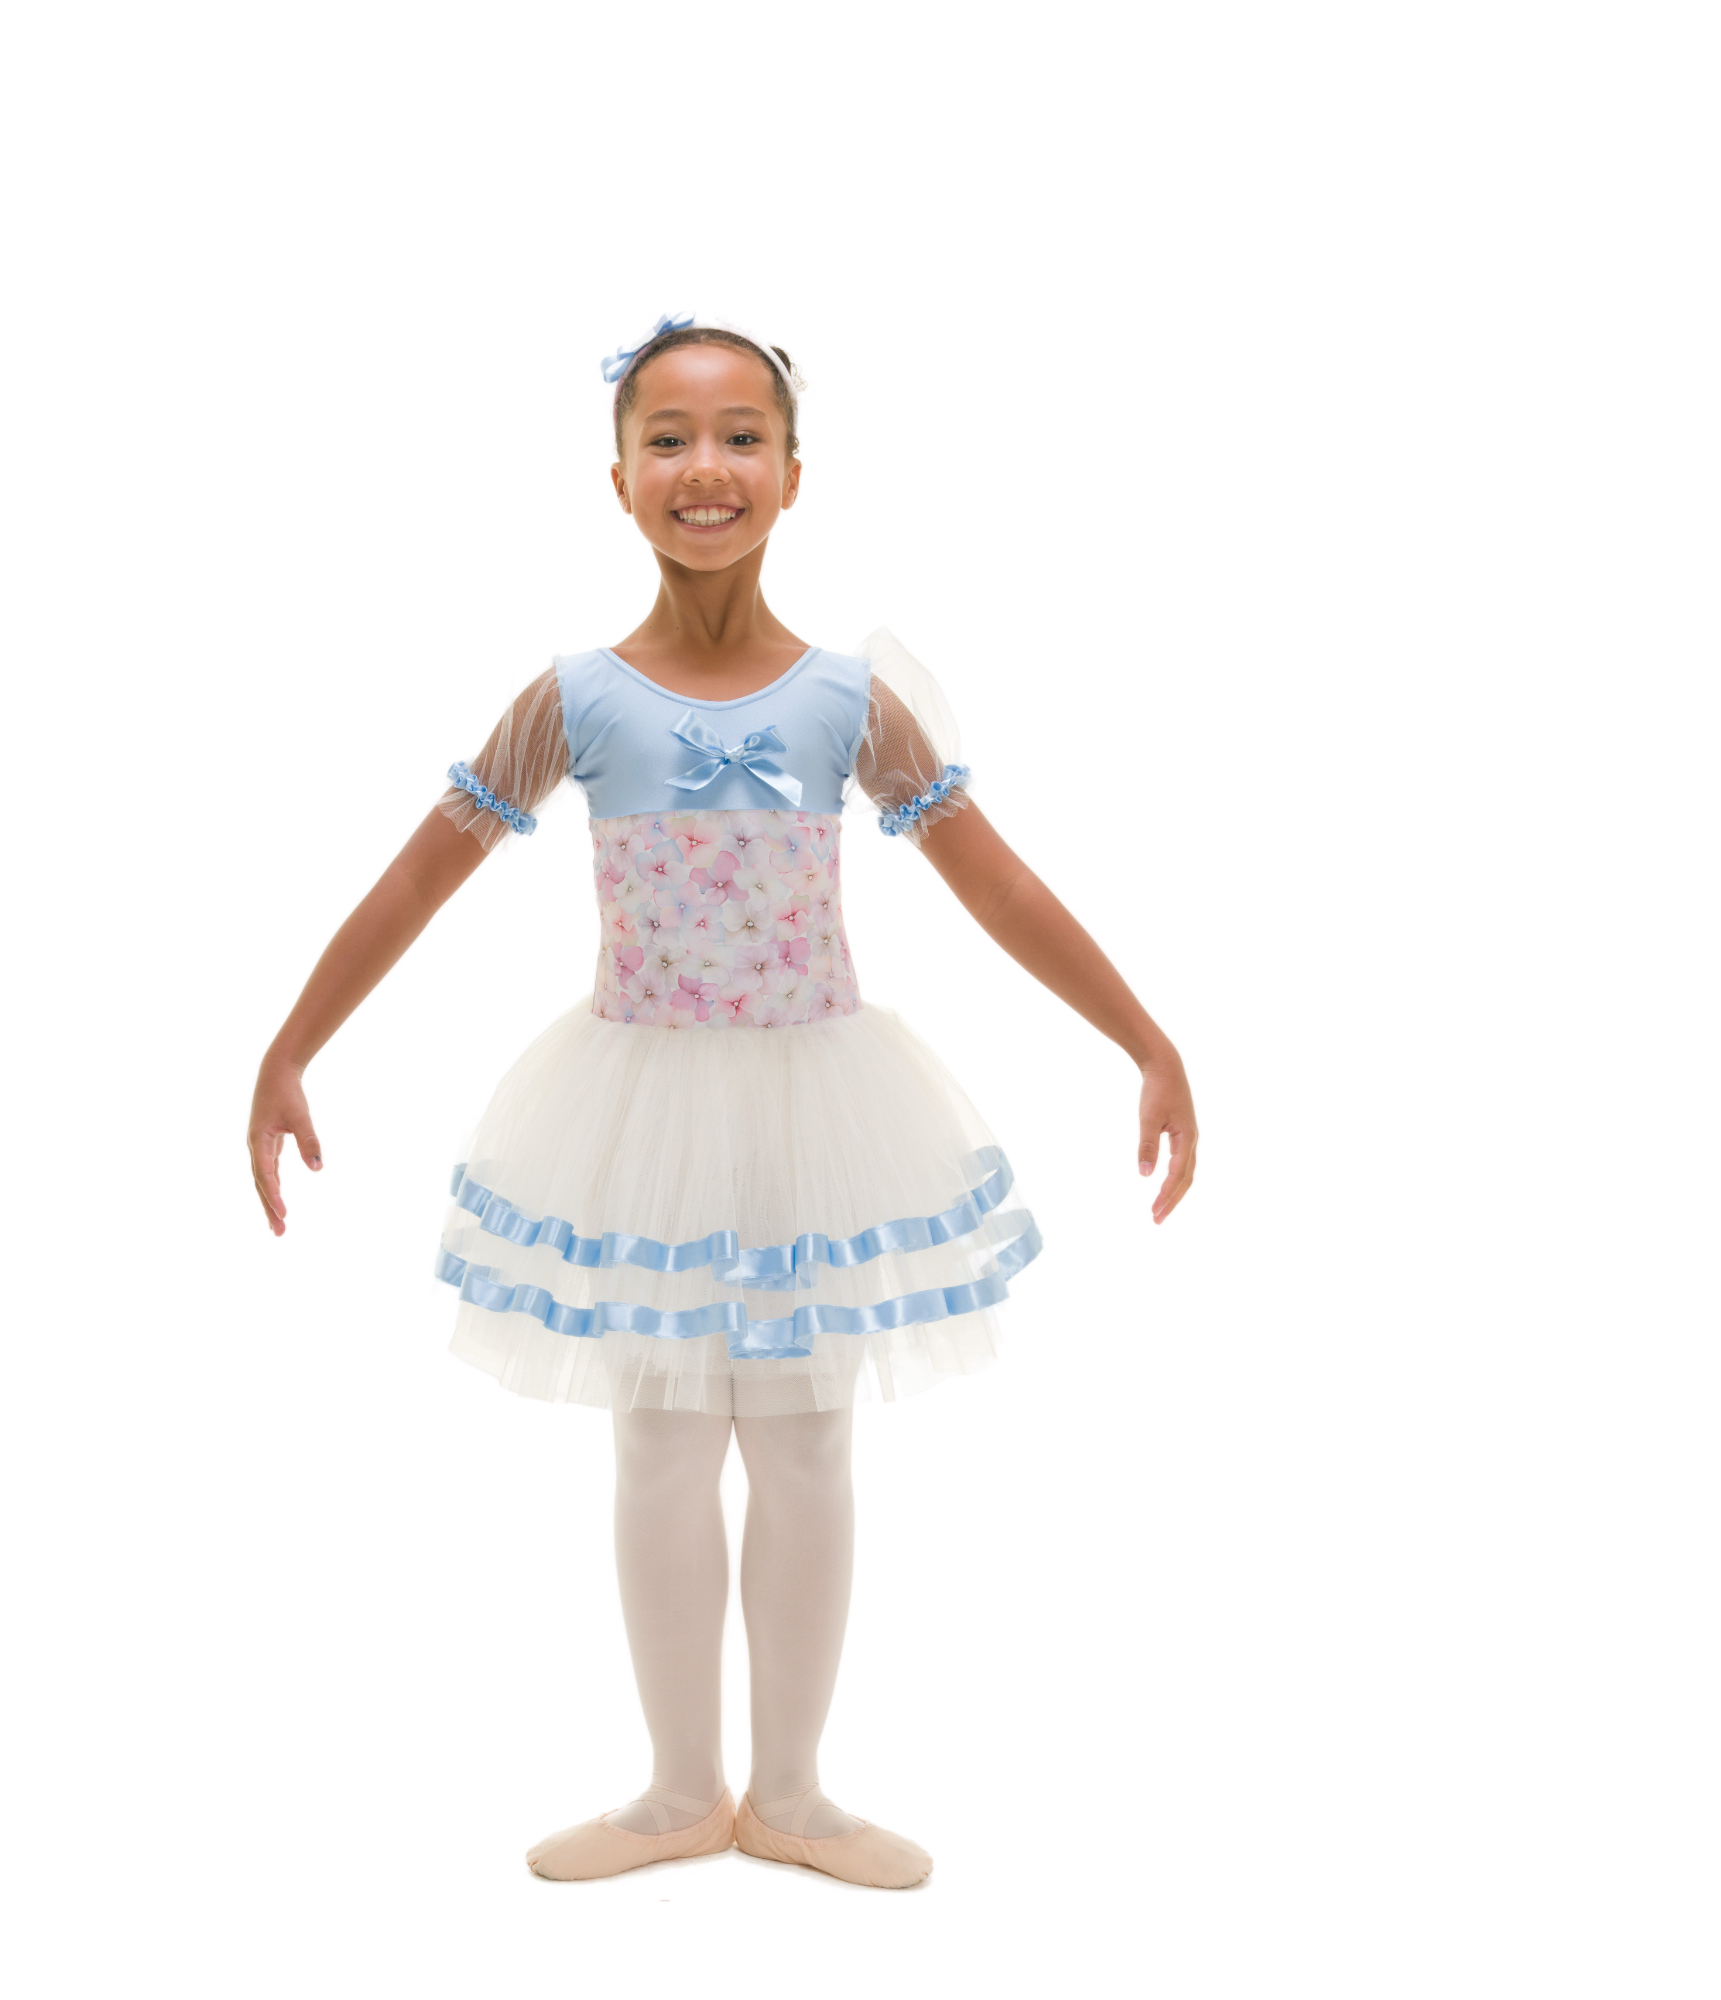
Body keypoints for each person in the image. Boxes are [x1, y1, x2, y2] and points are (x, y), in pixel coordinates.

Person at [246, 314, 1199, 1889]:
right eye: (669, 438)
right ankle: (679, 1790)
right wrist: (294, 1043)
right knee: (661, 1446)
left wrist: (1143, 1038)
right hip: (643, 1114)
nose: (707, 466)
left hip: (817, 1111)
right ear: (618, 478)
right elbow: (421, 876)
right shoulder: (573, 698)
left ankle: (798, 1793)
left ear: (794, 475)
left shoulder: (849, 701)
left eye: (742, 435)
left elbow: (996, 883)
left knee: (809, 1444)